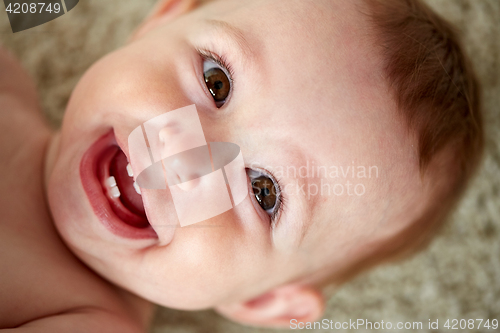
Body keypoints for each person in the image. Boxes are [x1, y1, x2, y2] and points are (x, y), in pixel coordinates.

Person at [0, 0, 483, 330]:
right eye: (216, 81)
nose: (188, 157)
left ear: (262, 300)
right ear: (163, 18)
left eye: (263, 191)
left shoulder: (80, 319)